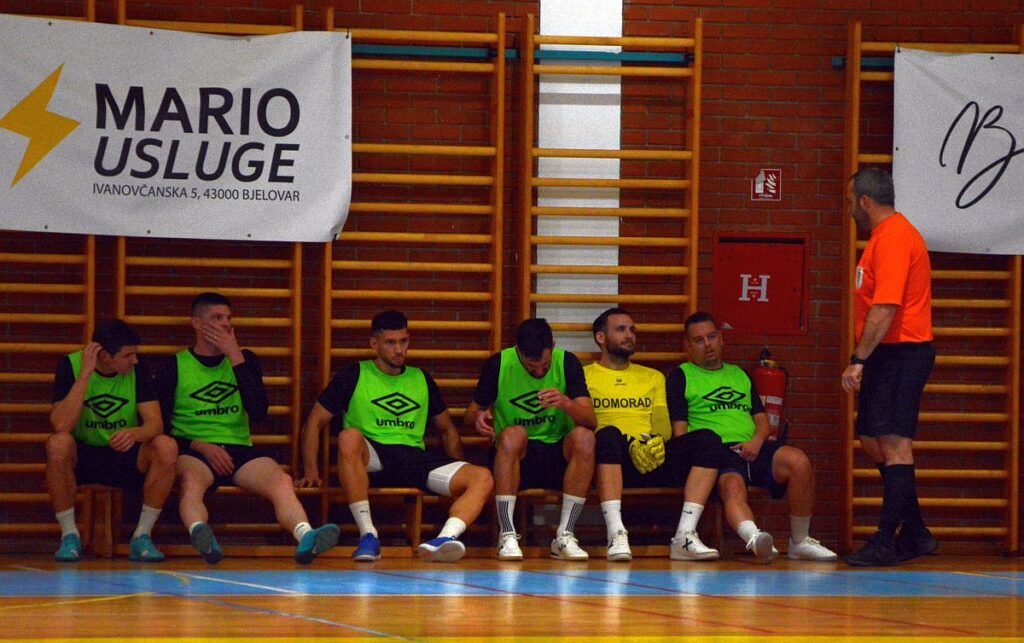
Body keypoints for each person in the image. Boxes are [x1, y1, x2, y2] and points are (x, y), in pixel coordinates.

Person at [298, 310, 493, 563]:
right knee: (348, 437)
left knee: (482, 477)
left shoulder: (421, 378)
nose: (399, 349)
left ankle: (444, 540)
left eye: (403, 341)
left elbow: (448, 430)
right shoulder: (354, 374)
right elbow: (314, 421)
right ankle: (368, 535)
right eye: (390, 342)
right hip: (374, 457)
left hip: (414, 458)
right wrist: (311, 470)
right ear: (374, 343)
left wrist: (457, 468)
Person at [157, 292, 338, 565]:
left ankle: (306, 536)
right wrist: (200, 446)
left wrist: (235, 357)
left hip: (239, 448)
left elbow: (258, 411)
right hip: (195, 449)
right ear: (196, 323)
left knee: (281, 480)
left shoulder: (245, 360)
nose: (225, 324)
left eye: (228, 318)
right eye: (217, 318)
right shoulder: (174, 365)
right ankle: (200, 532)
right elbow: (161, 426)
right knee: (191, 482)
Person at [668, 312, 839, 563]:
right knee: (732, 486)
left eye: (712, 337)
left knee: (798, 461)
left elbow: (762, 421)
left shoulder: (739, 374)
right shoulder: (681, 376)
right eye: (698, 340)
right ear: (688, 346)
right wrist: (695, 465)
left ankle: (800, 540)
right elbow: (680, 433)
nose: (708, 344)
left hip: (753, 446)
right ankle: (755, 538)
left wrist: (756, 442)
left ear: (721, 338)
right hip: (716, 453)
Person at [842, 167, 937, 566]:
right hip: (887, 354)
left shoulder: (895, 237)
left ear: (865, 202)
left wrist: (859, 359)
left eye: (850, 202)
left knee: (896, 446)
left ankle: (885, 540)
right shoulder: (881, 237)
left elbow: (885, 307)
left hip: (903, 351)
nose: (848, 209)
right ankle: (916, 531)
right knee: (871, 439)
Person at [584, 307, 722, 562]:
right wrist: (629, 444)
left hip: (652, 455)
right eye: (621, 329)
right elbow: (583, 423)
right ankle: (616, 533)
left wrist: (654, 441)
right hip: (611, 459)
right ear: (600, 337)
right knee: (608, 435)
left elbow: (661, 420)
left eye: (632, 330)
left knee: (708, 440)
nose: (630, 335)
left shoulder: (653, 377)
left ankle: (685, 535)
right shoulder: (585, 376)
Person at [46, 319, 177, 562]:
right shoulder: (70, 365)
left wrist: (135, 433)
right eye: (127, 355)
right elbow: (61, 424)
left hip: (123, 454)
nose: (134, 360)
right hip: (84, 455)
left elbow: (155, 424)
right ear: (104, 356)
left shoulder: (138, 369)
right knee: (58, 444)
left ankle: (142, 536)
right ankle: (69, 535)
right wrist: (84, 377)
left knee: (166, 446)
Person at [465, 318, 596, 561]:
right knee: (514, 434)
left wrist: (566, 403)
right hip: (514, 458)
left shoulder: (567, 362)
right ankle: (507, 533)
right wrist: (478, 417)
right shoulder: (499, 364)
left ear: (553, 346)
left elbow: (590, 421)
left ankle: (565, 535)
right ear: (518, 351)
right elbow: (470, 414)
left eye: (544, 365)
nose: (538, 372)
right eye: (530, 366)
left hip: (557, 455)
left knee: (585, 438)